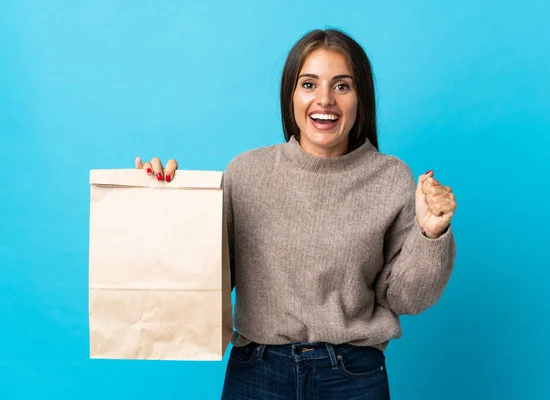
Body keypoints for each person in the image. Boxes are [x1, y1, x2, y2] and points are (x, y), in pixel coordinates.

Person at [135, 28, 456, 400]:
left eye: (341, 86)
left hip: (353, 377)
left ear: (360, 98)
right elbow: (204, 278)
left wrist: (430, 234)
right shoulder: (246, 173)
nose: (324, 100)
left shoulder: (390, 177)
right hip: (257, 372)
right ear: (290, 95)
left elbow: (405, 299)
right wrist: (162, 202)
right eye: (308, 84)